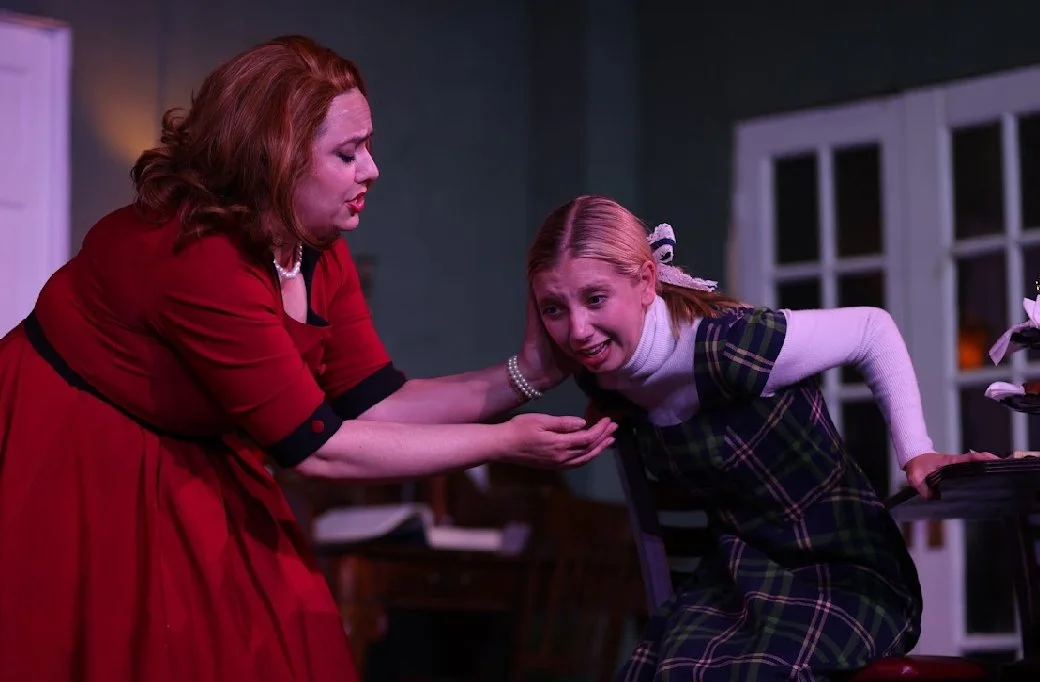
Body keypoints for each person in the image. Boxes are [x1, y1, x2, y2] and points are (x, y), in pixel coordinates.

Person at [0, 37, 616, 682]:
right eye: (347, 153)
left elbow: (375, 401)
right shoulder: (200, 256)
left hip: (190, 445)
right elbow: (316, 448)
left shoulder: (315, 245)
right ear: (276, 160)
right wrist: (504, 443)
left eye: (367, 146)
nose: (371, 169)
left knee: (287, 635)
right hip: (76, 443)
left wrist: (528, 375)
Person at [524, 194, 997, 681]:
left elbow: (872, 330)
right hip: (737, 576)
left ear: (646, 282)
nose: (577, 330)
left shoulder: (732, 345)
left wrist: (916, 452)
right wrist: (537, 360)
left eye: (595, 299)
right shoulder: (601, 375)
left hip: (841, 571)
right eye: (553, 308)